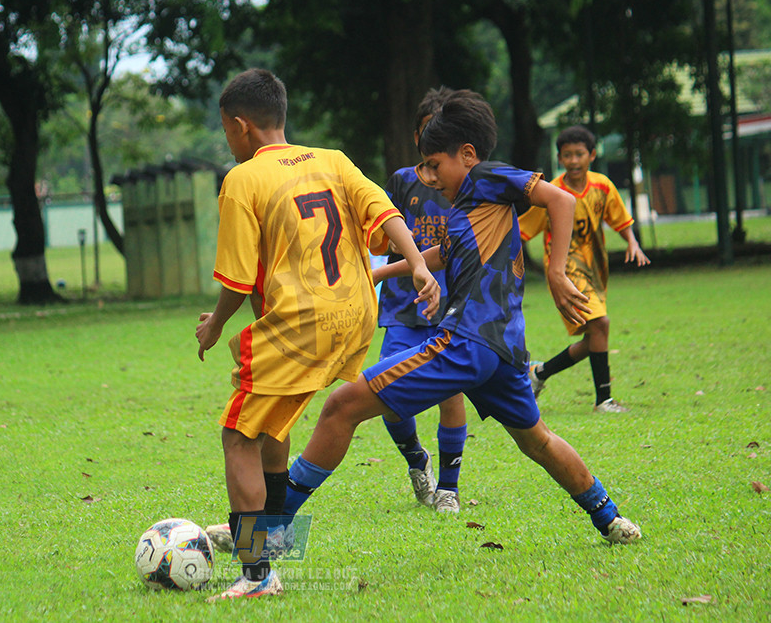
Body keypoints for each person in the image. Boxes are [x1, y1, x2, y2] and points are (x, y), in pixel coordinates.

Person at [275, 89, 642, 556]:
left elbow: (561, 202)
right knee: (539, 442)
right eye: (423, 166)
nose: (427, 176)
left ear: (467, 155)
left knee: (340, 407)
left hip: (468, 343)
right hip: (503, 352)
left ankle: (269, 527)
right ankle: (609, 518)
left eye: (434, 164)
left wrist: (554, 272)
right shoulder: (469, 208)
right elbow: (441, 255)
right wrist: (377, 273)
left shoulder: (487, 176)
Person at [196, 68, 440, 601]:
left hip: (300, 324)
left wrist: (215, 324)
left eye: (225, 129)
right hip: (355, 316)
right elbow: (385, 212)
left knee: (238, 435)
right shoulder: (332, 159)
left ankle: (257, 575)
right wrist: (419, 265)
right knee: (275, 421)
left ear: (240, 126)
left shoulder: (242, 180)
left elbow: (236, 279)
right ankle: (278, 538)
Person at [377, 87, 467, 512]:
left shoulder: (469, 186)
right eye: (428, 132)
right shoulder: (401, 180)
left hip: (452, 302)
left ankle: (448, 487)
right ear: (417, 136)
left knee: (452, 393)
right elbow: (383, 232)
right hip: (402, 303)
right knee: (387, 390)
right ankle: (417, 458)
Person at [519, 125, 651, 413]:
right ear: (559, 158)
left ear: (591, 155)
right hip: (565, 271)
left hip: (595, 270)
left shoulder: (602, 186)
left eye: (579, 154)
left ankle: (539, 373)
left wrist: (633, 243)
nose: (574, 161)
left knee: (595, 336)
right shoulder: (550, 192)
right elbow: (522, 230)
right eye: (567, 155)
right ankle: (603, 401)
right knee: (600, 325)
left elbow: (620, 218)